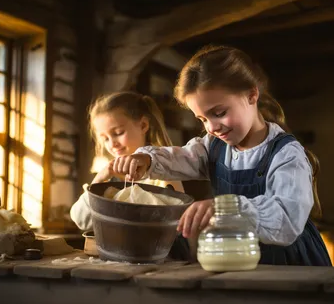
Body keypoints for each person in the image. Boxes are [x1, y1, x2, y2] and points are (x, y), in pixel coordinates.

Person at [110, 45, 332, 266]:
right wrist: (147, 159)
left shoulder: (286, 154)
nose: (211, 127)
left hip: (286, 261)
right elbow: (183, 157)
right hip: (237, 252)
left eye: (219, 113)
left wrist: (226, 207)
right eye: (202, 119)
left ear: (252, 95)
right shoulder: (214, 147)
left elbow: (286, 219)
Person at [70, 91, 184, 231]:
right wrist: (98, 182)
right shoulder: (109, 178)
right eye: (105, 138)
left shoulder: (164, 171)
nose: (112, 144)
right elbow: (81, 221)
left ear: (143, 125)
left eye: (118, 133)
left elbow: (176, 222)